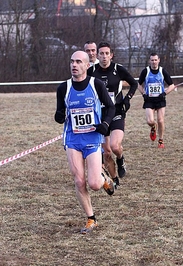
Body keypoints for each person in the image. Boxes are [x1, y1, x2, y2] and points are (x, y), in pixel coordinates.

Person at [54, 51, 116, 234]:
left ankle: (103, 178)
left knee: (94, 184)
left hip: (92, 138)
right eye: (72, 61)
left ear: (87, 65)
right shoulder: (63, 88)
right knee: (79, 180)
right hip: (73, 139)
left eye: (78, 62)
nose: (74, 65)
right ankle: (91, 218)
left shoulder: (95, 84)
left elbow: (111, 107)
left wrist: (105, 124)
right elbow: (59, 114)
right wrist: (58, 116)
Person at [87, 41, 138, 185]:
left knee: (115, 146)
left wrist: (127, 98)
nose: (104, 56)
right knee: (107, 153)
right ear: (97, 55)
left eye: (107, 53)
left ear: (111, 55)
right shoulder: (91, 71)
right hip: (101, 115)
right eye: (101, 53)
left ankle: (121, 159)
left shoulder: (118, 69)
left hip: (116, 111)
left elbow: (134, 83)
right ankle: (114, 179)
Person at [138, 52, 176, 148]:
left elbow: (172, 85)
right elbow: (139, 84)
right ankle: (153, 127)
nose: (154, 62)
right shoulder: (145, 71)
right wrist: (143, 94)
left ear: (159, 60)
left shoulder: (162, 71)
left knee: (160, 120)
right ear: (149, 61)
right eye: (152, 60)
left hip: (160, 100)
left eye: (155, 60)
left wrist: (164, 93)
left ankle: (161, 141)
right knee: (150, 121)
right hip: (149, 100)